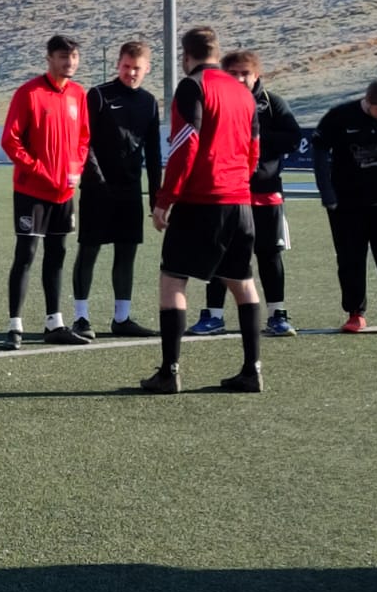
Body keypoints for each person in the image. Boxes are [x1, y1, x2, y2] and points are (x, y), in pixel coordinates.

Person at [143, 26, 263, 393]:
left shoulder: (193, 86)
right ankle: (252, 369)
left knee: (173, 279)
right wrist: (238, 183)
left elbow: (186, 145)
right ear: (216, 52)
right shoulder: (242, 91)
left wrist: (165, 198)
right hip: (240, 202)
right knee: (243, 283)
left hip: (202, 201)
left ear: (186, 55)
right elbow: (254, 149)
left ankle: (170, 371)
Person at [189, 51, 304, 337]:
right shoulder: (214, 101)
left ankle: (277, 314)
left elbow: (293, 138)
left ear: (256, 75)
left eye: (245, 73)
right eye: (233, 73)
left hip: (266, 196)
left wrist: (254, 136)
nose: (240, 79)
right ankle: (213, 315)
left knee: (269, 255)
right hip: (226, 194)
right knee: (220, 255)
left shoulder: (273, 103)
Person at [0, 34, 91, 349]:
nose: (70, 62)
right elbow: (10, 140)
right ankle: (14, 326)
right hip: (32, 191)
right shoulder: (29, 93)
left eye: (74, 56)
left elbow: (83, 139)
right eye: (63, 57)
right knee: (26, 254)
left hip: (64, 192)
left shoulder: (78, 94)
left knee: (57, 254)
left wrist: (76, 168)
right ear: (49, 58)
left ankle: (55, 323)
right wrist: (39, 170)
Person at [70, 41, 161, 339]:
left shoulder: (149, 102)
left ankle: (122, 318)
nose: (131, 73)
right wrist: (96, 178)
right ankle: (81, 318)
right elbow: (84, 141)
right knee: (89, 250)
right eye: (126, 66)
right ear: (118, 65)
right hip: (97, 190)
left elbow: (153, 154)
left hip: (130, 192)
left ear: (147, 69)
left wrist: (156, 198)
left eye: (137, 68)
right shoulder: (98, 95)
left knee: (126, 253)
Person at [310, 77, 377, 333]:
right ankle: (355, 313)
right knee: (350, 259)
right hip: (346, 204)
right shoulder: (340, 116)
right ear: (368, 102)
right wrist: (326, 191)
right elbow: (319, 150)